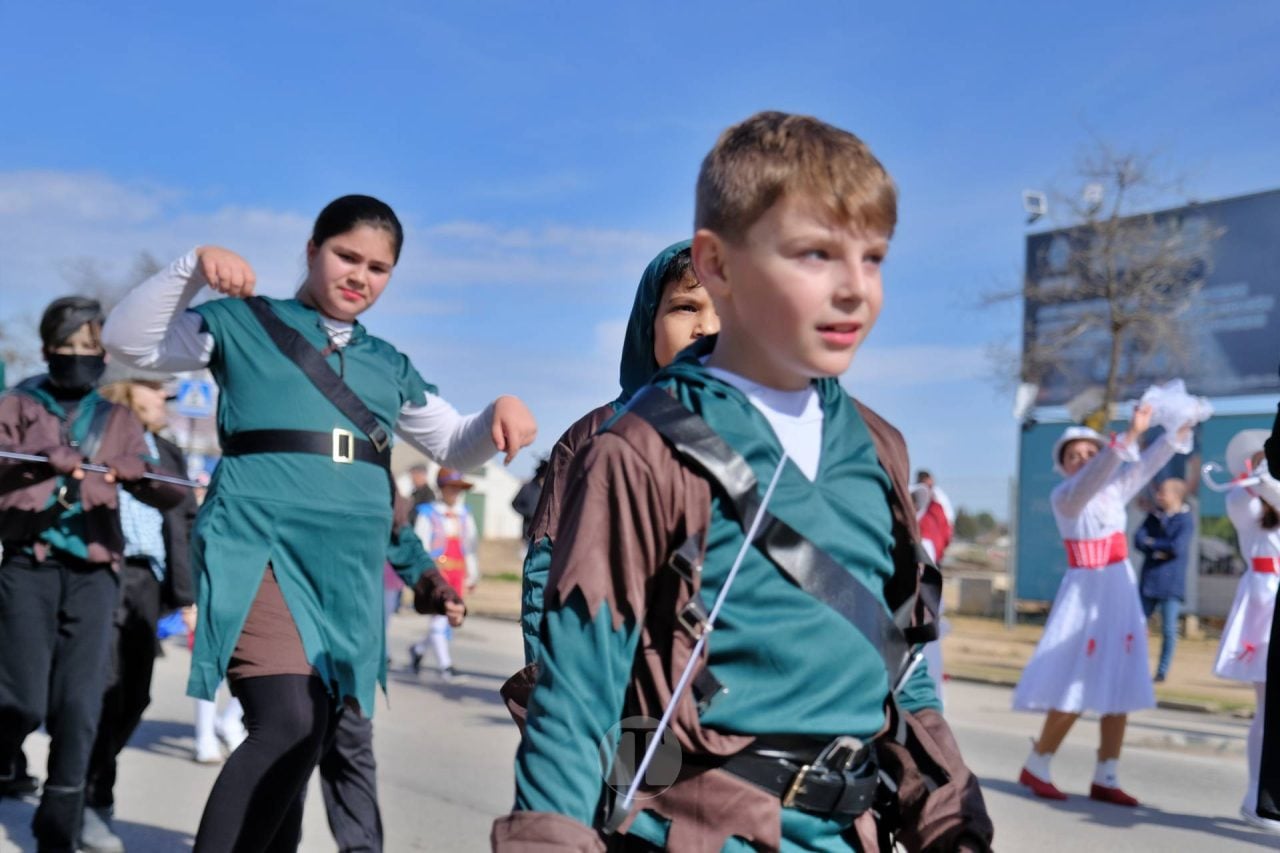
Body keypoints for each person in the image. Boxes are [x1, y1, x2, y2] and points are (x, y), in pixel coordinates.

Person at [494, 112, 992, 852]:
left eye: (874, 258)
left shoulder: (879, 445)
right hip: (695, 828)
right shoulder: (637, 448)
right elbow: (578, 689)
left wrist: (948, 817)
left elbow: (903, 662)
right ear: (719, 264)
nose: (854, 288)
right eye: (815, 255)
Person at [101, 194, 536, 852]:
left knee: (310, 738)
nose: (361, 275)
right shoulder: (245, 323)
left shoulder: (387, 363)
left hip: (350, 574)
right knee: (289, 720)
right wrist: (191, 266)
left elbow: (454, 441)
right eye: (347, 255)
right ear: (311, 249)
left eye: (380, 267)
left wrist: (499, 408)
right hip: (262, 551)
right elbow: (127, 340)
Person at [0, 297, 183, 853]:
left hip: (96, 572)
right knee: (24, 701)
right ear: (47, 348)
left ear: (104, 354)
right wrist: (35, 460)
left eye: (90, 348)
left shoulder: (118, 418)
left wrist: (140, 473)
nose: (79, 357)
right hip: (28, 567)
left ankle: (61, 822)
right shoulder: (18, 404)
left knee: (81, 705)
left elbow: (171, 494)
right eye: (68, 346)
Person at [515, 239, 717, 668]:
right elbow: (545, 578)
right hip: (616, 688)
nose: (706, 327)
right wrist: (550, 695)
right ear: (649, 321)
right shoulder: (594, 435)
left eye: (726, 309)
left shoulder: (772, 439)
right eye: (686, 307)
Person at [1013, 411, 1194, 806]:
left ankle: (1106, 773)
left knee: (1122, 679)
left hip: (1119, 589)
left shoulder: (1114, 491)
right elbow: (1095, 476)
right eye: (1073, 455)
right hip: (1085, 592)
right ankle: (1038, 761)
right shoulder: (1064, 497)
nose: (1081, 458)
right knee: (1077, 678)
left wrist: (1176, 433)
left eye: (1087, 451)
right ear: (1062, 465)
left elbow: (1146, 465)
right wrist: (1126, 437)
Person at [79, 365, 201, 853]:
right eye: (156, 389)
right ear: (129, 389)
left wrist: (189, 597)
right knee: (103, 692)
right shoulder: (96, 433)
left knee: (135, 695)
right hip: (97, 573)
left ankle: (79, 784)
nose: (164, 400)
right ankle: (91, 799)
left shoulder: (166, 450)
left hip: (146, 580)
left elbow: (185, 523)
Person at [320, 495, 464, 853]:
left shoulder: (373, 460)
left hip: (350, 638)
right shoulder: (289, 450)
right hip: (286, 625)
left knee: (352, 749)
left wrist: (438, 589)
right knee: (287, 745)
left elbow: (402, 541)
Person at [1212, 429, 1280, 831]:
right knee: (1267, 708)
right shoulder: (1243, 498)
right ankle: (1256, 795)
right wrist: (1259, 480)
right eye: (1261, 458)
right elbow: (1242, 502)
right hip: (1262, 600)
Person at [409, 468, 479, 681]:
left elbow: (470, 547)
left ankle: (419, 649)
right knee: (440, 618)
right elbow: (419, 546)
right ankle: (445, 667)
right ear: (441, 488)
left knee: (447, 619)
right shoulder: (428, 513)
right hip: (437, 574)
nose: (455, 492)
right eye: (451, 487)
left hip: (457, 572)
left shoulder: (465, 514)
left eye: (458, 488)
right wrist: (425, 577)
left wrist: (472, 574)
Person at [1134, 477, 1194, 682]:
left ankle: (1161, 672)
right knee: (1137, 625)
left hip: (1171, 584)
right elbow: (1139, 540)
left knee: (1168, 630)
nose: (1158, 496)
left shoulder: (1185, 520)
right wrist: (1158, 546)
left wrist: (1153, 545)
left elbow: (1177, 547)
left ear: (1176, 496)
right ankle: (1135, 666)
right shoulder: (1153, 517)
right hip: (1149, 580)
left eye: (1163, 492)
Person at [510, 457, 548, 544]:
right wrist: (529, 513)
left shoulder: (550, 490)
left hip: (545, 535)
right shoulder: (527, 488)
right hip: (528, 533)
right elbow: (515, 504)